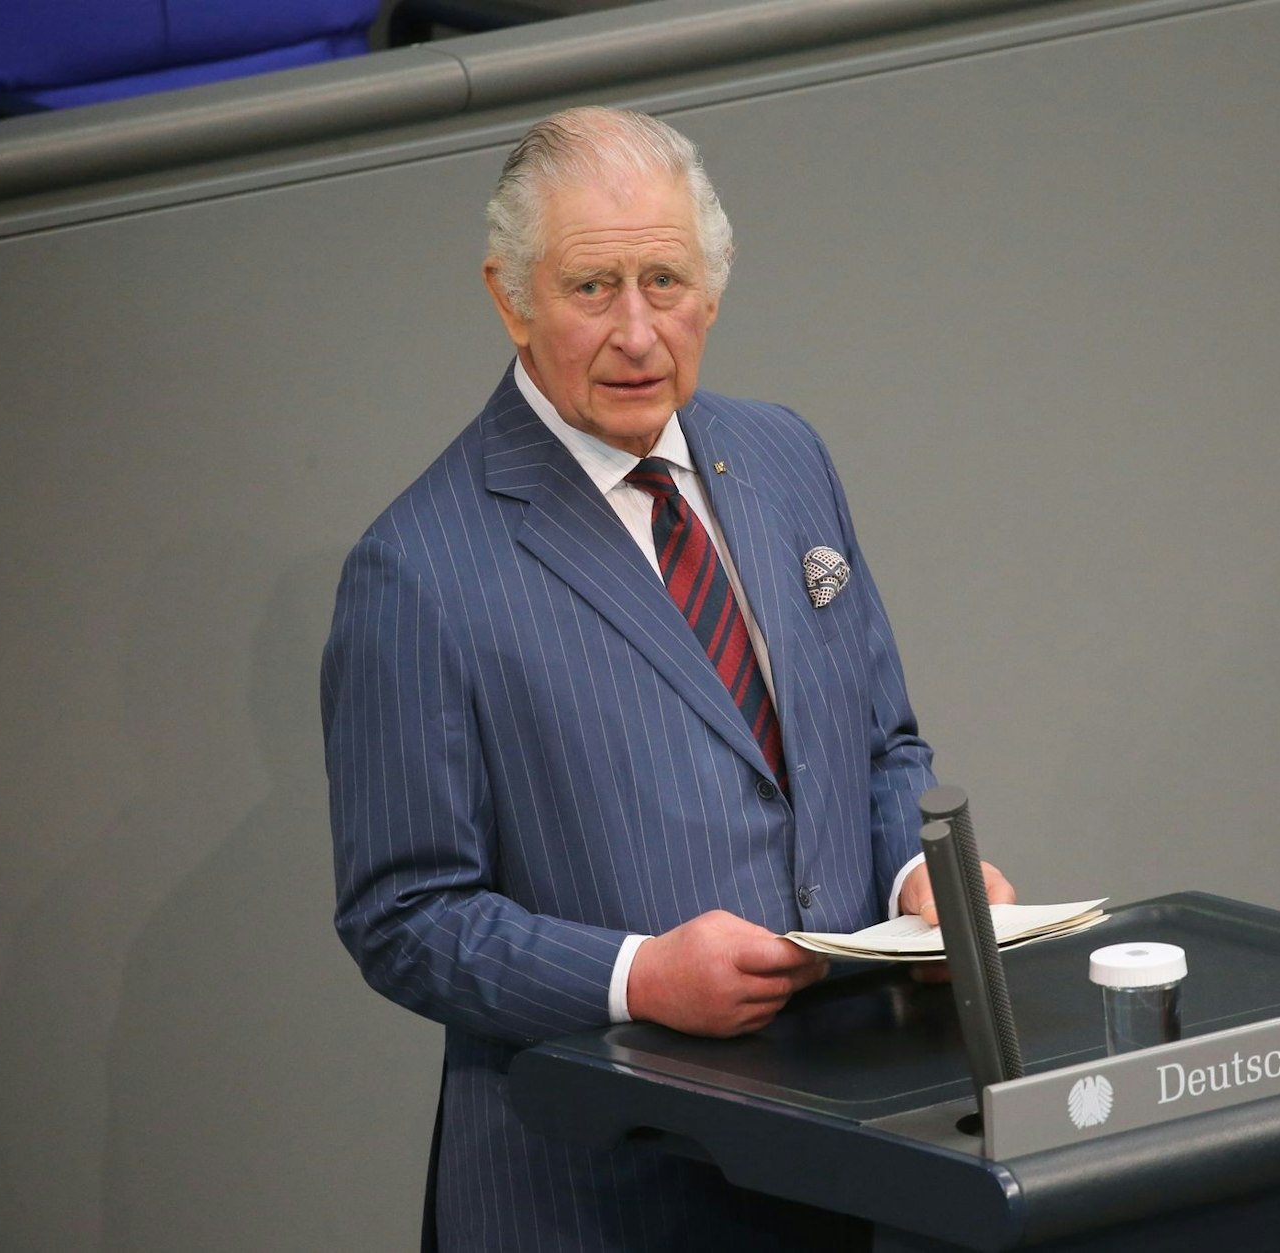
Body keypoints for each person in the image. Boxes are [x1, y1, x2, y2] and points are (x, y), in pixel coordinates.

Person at [322, 106, 1012, 1251]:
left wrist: (913, 879)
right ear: (510, 296)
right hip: (602, 1195)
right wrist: (635, 976)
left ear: (715, 285)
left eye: (665, 278)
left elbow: (881, 741)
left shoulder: (785, 454)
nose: (638, 331)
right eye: (594, 287)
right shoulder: (419, 568)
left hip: (850, 1164)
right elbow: (403, 916)